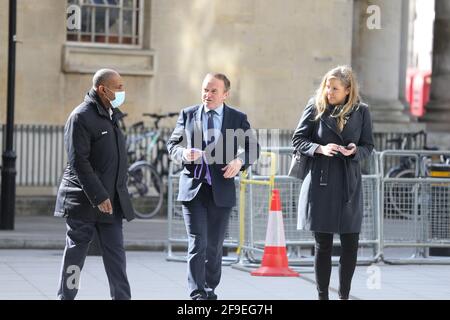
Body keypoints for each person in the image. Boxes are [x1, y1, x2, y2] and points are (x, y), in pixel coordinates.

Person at [167, 73, 260, 300]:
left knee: (214, 246)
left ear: (225, 94)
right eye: (205, 90)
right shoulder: (188, 114)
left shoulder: (237, 118)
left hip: (221, 190)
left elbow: (253, 148)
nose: (207, 95)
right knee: (198, 242)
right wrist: (183, 153)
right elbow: (172, 145)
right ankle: (197, 293)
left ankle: (210, 289)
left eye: (213, 91)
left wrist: (239, 162)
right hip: (193, 189)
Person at [292, 65, 374, 300]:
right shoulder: (316, 105)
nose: (329, 91)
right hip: (322, 182)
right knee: (323, 245)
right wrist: (320, 148)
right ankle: (322, 296)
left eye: (335, 88)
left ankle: (344, 296)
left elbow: (368, 146)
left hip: (349, 184)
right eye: (327, 86)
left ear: (348, 90)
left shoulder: (362, 111)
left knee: (350, 244)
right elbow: (298, 139)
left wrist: (354, 150)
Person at [54, 68, 135, 300]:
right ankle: (66, 297)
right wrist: (99, 196)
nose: (122, 91)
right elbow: (79, 162)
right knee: (75, 257)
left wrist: (115, 196)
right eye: (118, 87)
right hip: (83, 202)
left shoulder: (112, 115)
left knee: (116, 257)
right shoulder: (80, 117)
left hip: (112, 203)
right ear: (103, 89)